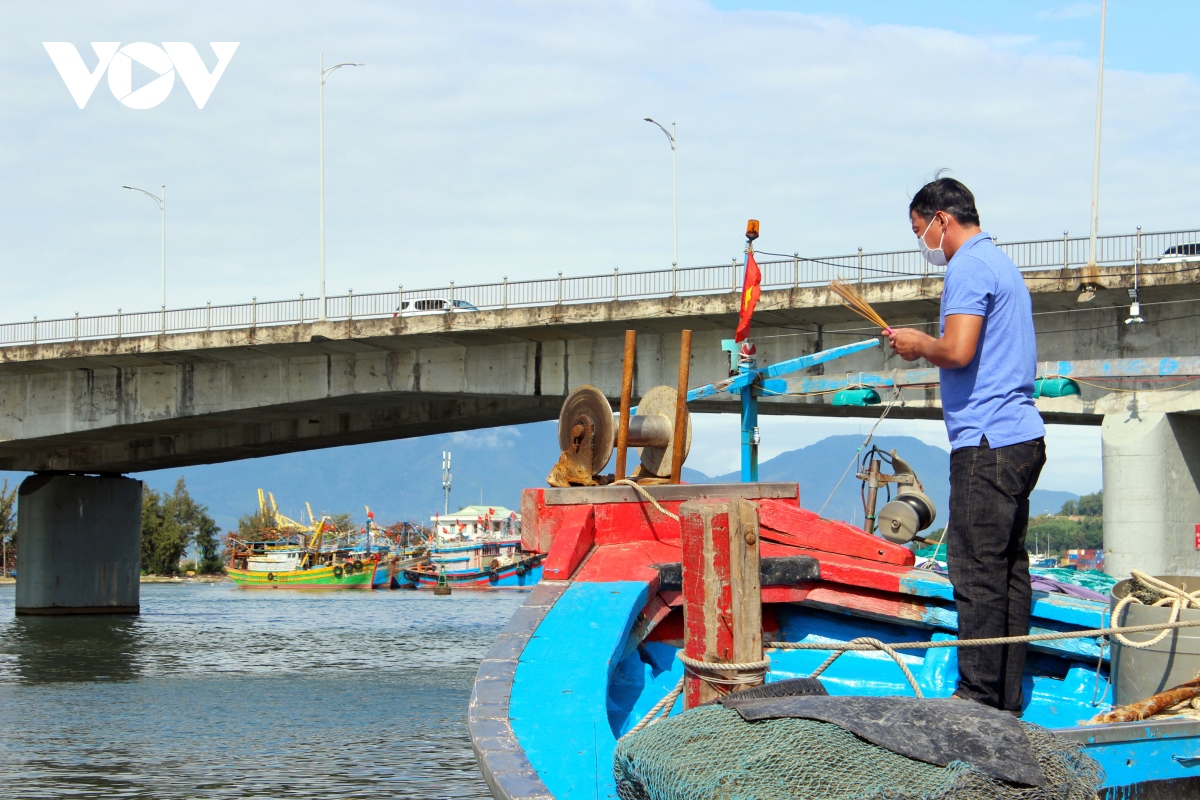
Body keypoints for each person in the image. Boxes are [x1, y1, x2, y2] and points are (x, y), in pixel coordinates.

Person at [887, 177, 1046, 713]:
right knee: (1008, 570)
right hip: (1022, 436)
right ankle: (1004, 696)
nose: (922, 243)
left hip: (987, 440)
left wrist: (917, 343)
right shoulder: (1001, 263)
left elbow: (956, 350)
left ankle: (977, 698)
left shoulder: (968, 267)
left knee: (974, 567)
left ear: (941, 220)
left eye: (919, 231)